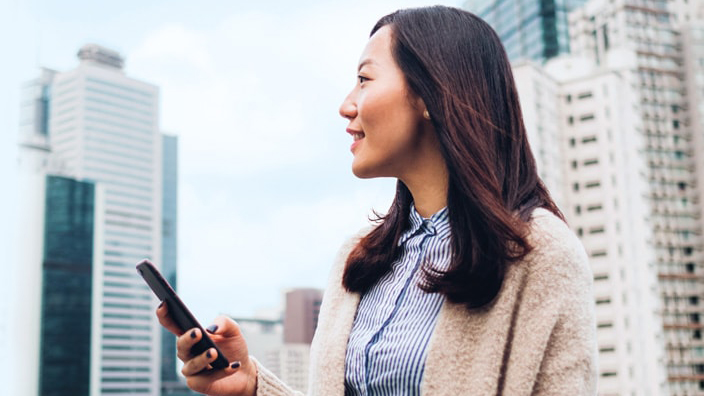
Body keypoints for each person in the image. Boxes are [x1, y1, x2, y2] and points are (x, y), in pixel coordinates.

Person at [157, 5, 597, 395]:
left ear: (430, 94)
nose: (347, 106)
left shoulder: (538, 252)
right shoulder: (359, 255)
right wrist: (251, 385)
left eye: (364, 80)